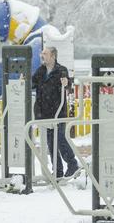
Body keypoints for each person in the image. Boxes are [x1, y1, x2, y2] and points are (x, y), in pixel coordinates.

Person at [32, 46, 79, 178]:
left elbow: (68, 85)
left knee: (60, 139)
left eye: (45, 54)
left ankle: (72, 164)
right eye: (42, 53)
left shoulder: (61, 70)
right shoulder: (40, 71)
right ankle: (57, 171)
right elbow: (32, 83)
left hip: (57, 111)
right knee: (51, 144)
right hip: (44, 112)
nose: (42, 55)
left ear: (53, 56)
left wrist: (67, 82)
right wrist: (23, 80)